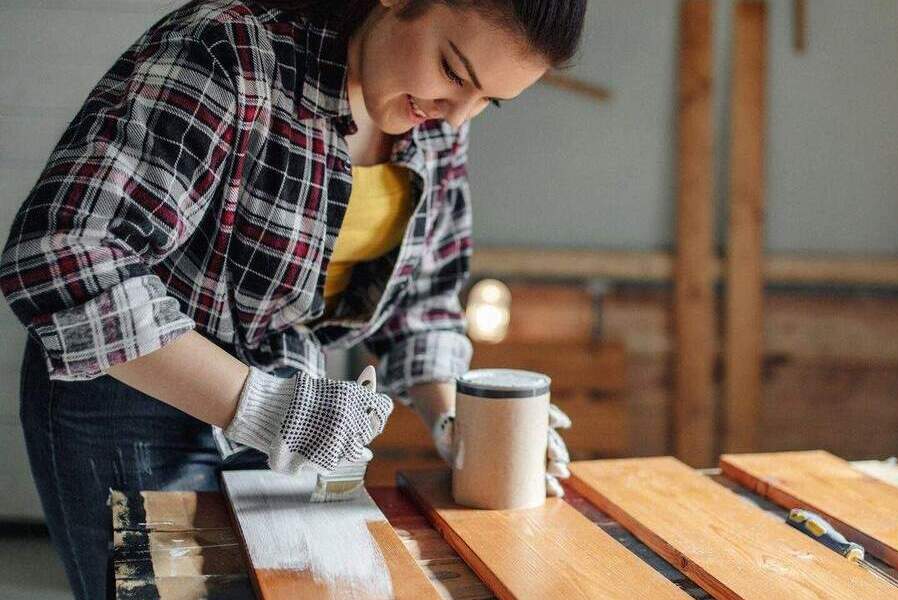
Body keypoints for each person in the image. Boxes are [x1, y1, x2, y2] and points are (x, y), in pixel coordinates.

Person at [0, 0, 585, 597]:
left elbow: (424, 303)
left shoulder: (434, 124)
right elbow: (61, 254)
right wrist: (259, 405)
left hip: (288, 398)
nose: (458, 118)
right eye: (455, 73)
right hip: (132, 395)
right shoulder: (232, 50)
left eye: (489, 100)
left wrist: (457, 422)